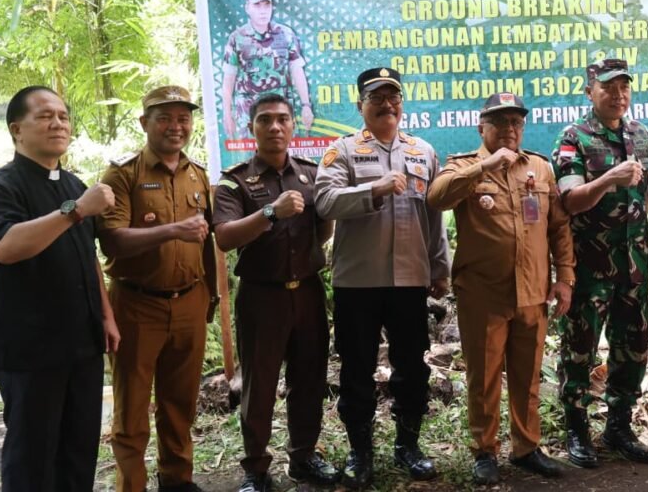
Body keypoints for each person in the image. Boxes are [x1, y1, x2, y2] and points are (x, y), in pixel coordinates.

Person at [0, 85, 119, 491]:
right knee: (33, 457)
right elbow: (6, 248)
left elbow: (87, 256)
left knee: (79, 452)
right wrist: (75, 212)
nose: (58, 123)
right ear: (16, 129)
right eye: (45, 116)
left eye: (63, 116)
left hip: (83, 343)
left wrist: (106, 316)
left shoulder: (73, 185)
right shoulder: (0, 188)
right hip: (30, 349)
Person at [314, 67, 451, 489]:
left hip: (410, 279)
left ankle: (408, 446)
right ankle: (361, 451)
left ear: (401, 104)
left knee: (412, 366)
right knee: (356, 368)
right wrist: (373, 189)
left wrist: (440, 268)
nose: (387, 105)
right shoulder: (343, 150)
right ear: (361, 106)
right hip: (359, 281)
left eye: (393, 97)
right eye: (376, 98)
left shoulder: (422, 151)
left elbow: (434, 214)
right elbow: (324, 201)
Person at [427, 93, 575, 484]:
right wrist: (485, 166)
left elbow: (559, 228)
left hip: (533, 291)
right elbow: (436, 197)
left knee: (528, 377)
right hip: (483, 293)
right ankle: (485, 451)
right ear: (482, 128)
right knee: (485, 375)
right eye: (500, 122)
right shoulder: (464, 165)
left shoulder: (540, 169)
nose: (510, 129)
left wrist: (565, 279)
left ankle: (526, 448)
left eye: (516, 122)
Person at [213, 94, 339, 492]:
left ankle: (303, 456)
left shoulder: (310, 174)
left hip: (306, 292)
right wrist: (270, 212)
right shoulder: (234, 181)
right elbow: (225, 237)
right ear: (251, 128)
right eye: (265, 120)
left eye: (283, 119)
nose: (275, 127)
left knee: (309, 378)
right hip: (261, 298)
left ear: (293, 125)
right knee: (260, 384)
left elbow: (324, 229)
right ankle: (256, 468)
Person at [97, 85, 217, 492]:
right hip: (136, 305)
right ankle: (132, 485)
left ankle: (177, 479)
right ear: (144, 122)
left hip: (189, 302)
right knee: (131, 409)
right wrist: (173, 230)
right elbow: (112, 240)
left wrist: (211, 297)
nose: (176, 126)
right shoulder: (122, 174)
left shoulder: (198, 174)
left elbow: (210, 242)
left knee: (179, 402)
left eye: (183, 117)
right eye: (164, 117)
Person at [551, 57, 648, 468]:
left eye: (624, 87)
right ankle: (577, 428)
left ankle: (619, 425)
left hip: (635, 263)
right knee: (580, 346)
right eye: (609, 88)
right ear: (590, 91)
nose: (618, 95)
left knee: (632, 344)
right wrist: (609, 179)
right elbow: (570, 199)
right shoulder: (574, 136)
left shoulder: (641, 134)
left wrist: (637, 216)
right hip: (591, 263)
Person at [220, 0, 314, 139]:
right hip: (248, 115)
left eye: (267, 5)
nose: (263, 11)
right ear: (247, 8)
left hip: (281, 112)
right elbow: (228, 80)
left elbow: (297, 72)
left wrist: (306, 105)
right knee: (250, 161)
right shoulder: (237, 38)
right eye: (257, 5)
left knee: (285, 157)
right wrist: (227, 114)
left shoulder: (286, 34)